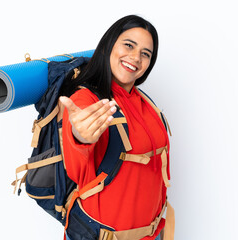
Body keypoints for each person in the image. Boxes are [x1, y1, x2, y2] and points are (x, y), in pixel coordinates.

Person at [59, 15, 172, 240]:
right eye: (128, 45)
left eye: (145, 54)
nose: (135, 57)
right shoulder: (86, 101)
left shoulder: (145, 102)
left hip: (155, 233)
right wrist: (80, 137)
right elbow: (76, 166)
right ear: (109, 44)